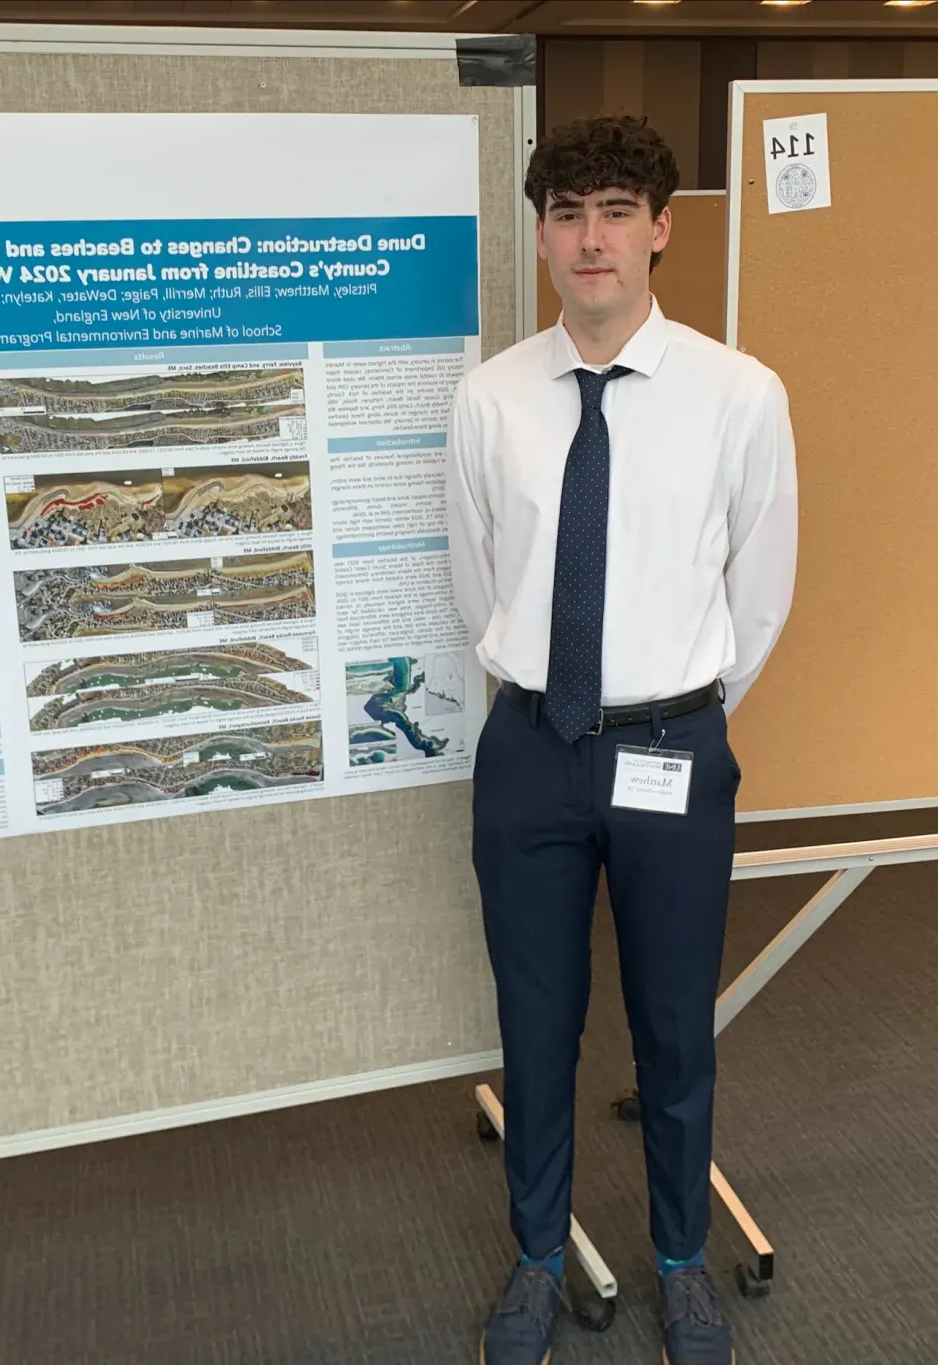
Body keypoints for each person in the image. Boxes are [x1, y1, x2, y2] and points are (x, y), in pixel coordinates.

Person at [445, 114, 798, 1365]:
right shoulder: (491, 399)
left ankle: (681, 1261)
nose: (588, 241)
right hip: (531, 750)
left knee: (670, 1024)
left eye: (613, 212)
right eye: (564, 215)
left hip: (669, 749)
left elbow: (758, 598)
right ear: (541, 235)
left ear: (660, 228)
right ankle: (538, 1257)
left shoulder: (737, 394)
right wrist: (565, 705)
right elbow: (478, 581)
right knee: (535, 1018)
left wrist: (671, 708)